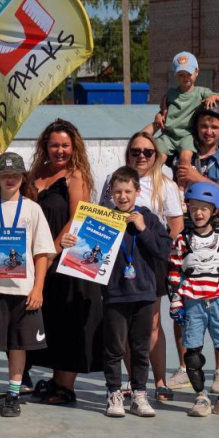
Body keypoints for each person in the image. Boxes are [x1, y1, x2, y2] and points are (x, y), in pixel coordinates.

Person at [76, 167, 169, 418]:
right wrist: (71, 244)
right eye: (118, 192)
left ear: (137, 192)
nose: (123, 196)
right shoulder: (103, 219)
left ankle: (139, 393)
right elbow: (85, 255)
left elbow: (163, 251)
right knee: (114, 347)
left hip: (144, 293)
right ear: (111, 194)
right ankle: (114, 393)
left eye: (128, 191)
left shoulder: (148, 219)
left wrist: (143, 230)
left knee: (140, 348)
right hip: (115, 293)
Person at [0, 153, 53, 419]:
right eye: (5, 175)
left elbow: (42, 253)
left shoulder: (32, 209)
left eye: (15, 174)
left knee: (18, 345)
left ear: (23, 177)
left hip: (23, 290)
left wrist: (38, 288)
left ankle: (13, 394)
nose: (10, 179)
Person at [98, 132, 184, 401]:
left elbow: (176, 225)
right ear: (128, 153)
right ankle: (134, 383)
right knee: (123, 323)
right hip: (119, 261)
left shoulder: (165, 184)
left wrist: (159, 251)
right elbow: (101, 219)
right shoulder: (112, 180)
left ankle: (158, 381)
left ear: (156, 155)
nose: (142, 156)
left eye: (148, 152)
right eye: (136, 151)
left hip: (150, 261)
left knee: (152, 324)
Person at [173, 103, 219, 394]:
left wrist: (197, 179)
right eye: (204, 125)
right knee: (185, 301)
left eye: (215, 127)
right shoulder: (182, 155)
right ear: (197, 127)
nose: (209, 131)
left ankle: (218, 372)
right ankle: (183, 365)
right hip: (184, 239)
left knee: (216, 308)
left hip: (215, 243)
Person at [28, 119, 97, 406]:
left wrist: (51, 251)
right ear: (45, 145)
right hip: (35, 259)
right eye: (54, 145)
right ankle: (52, 380)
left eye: (65, 146)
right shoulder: (34, 174)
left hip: (64, 260)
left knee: (69, 321)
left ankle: (65, 386)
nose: (60, 151)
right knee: (49, 319)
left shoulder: (75, 176)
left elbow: (77, 218)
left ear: (74, 147)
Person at [167, 181, 219, 418]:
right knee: (193, 353)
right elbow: (173, 274)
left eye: (204, 208)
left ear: (214, 211)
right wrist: (176, 302)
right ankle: (200, 396)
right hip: (193, 304)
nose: (198, 213)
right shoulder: (182, 241)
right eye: (193, 208)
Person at [151, 51, 219, 177]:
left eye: (189, 74)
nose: (186, 77)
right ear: (176, 75)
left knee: (185, 159)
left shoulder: (202, 92)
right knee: (158, 160)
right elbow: (162, 110)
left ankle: (181, 189)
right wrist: (158, 116)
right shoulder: (171, 93)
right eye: (181, 74)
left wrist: (213, 97)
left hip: (187, 135)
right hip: (169, 134)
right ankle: (151, 185)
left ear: (197, 72)